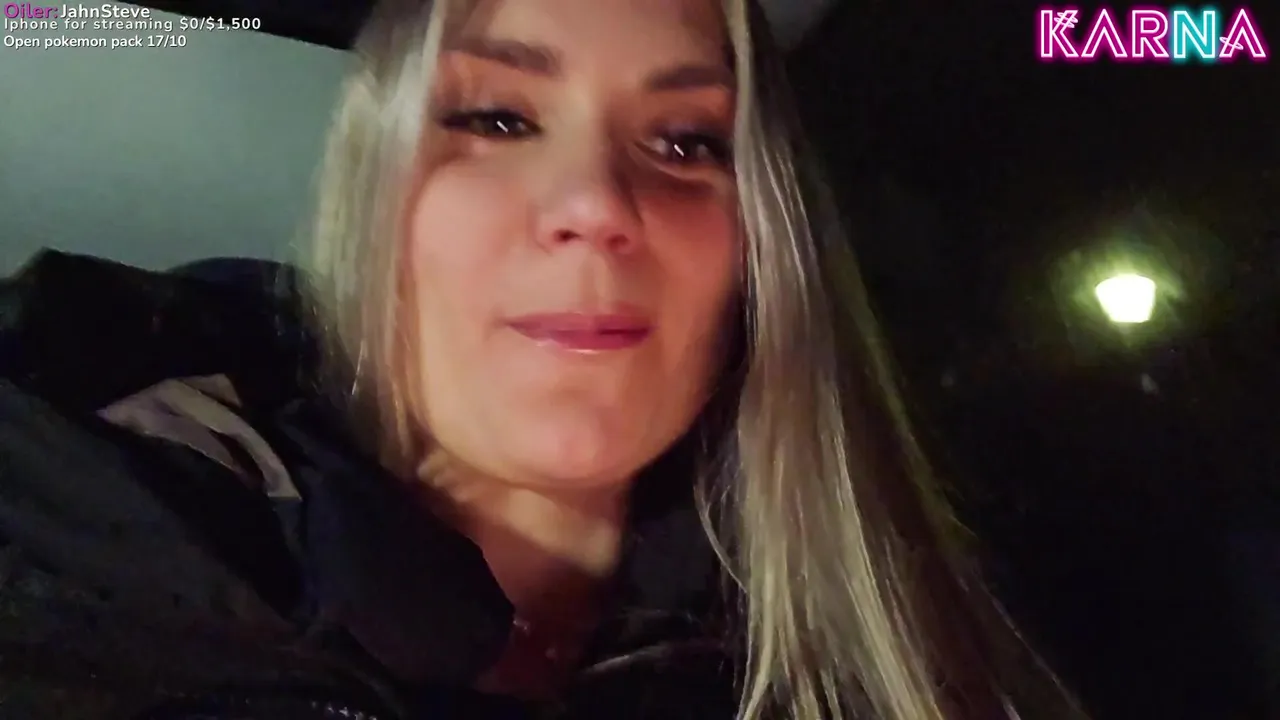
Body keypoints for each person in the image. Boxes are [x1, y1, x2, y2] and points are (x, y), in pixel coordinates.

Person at [0, 0, 1084, 718]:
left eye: (686, 142)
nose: (596, 205)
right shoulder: (78, 566)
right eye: (498, 118)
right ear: (374, 199)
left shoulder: (909, 667)